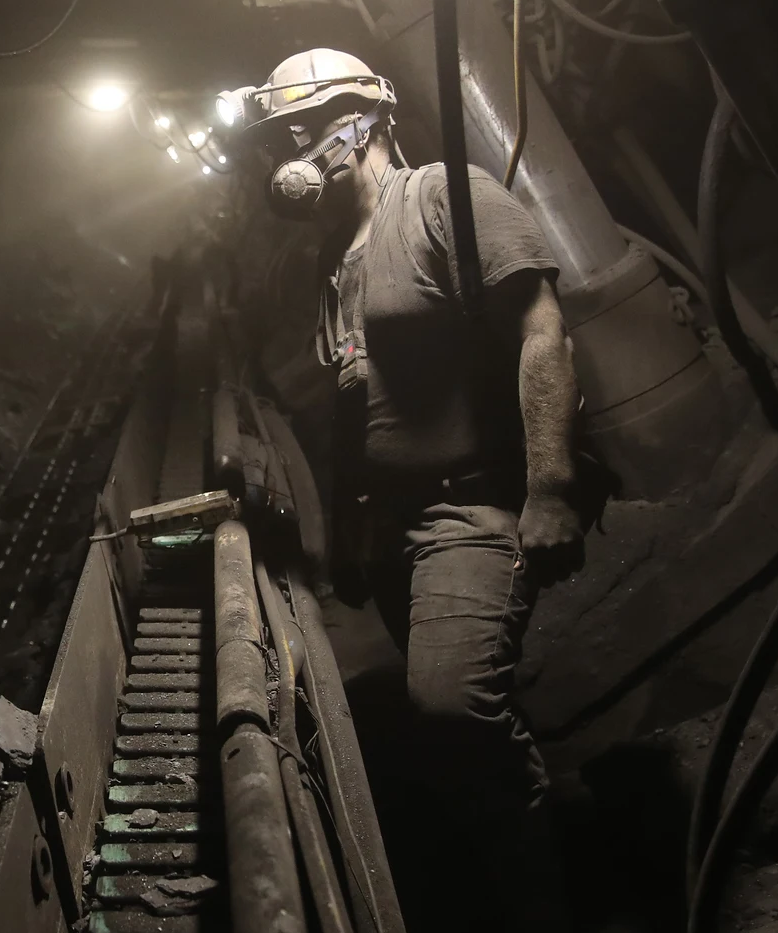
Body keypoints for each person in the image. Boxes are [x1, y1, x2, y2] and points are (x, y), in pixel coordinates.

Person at [246, 48, 583, 931]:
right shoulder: (331, 257)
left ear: (366, 121)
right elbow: (351, 398)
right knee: (451, 731)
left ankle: (543, 905)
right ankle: (503, 875)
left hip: (475, 505)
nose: (289, 144)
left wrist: (549, 484)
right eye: (280, 132)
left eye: (306, 123)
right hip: (397, 529)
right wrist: (353, 525)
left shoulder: (445, 198)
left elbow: (543, 328)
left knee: (449, 704)